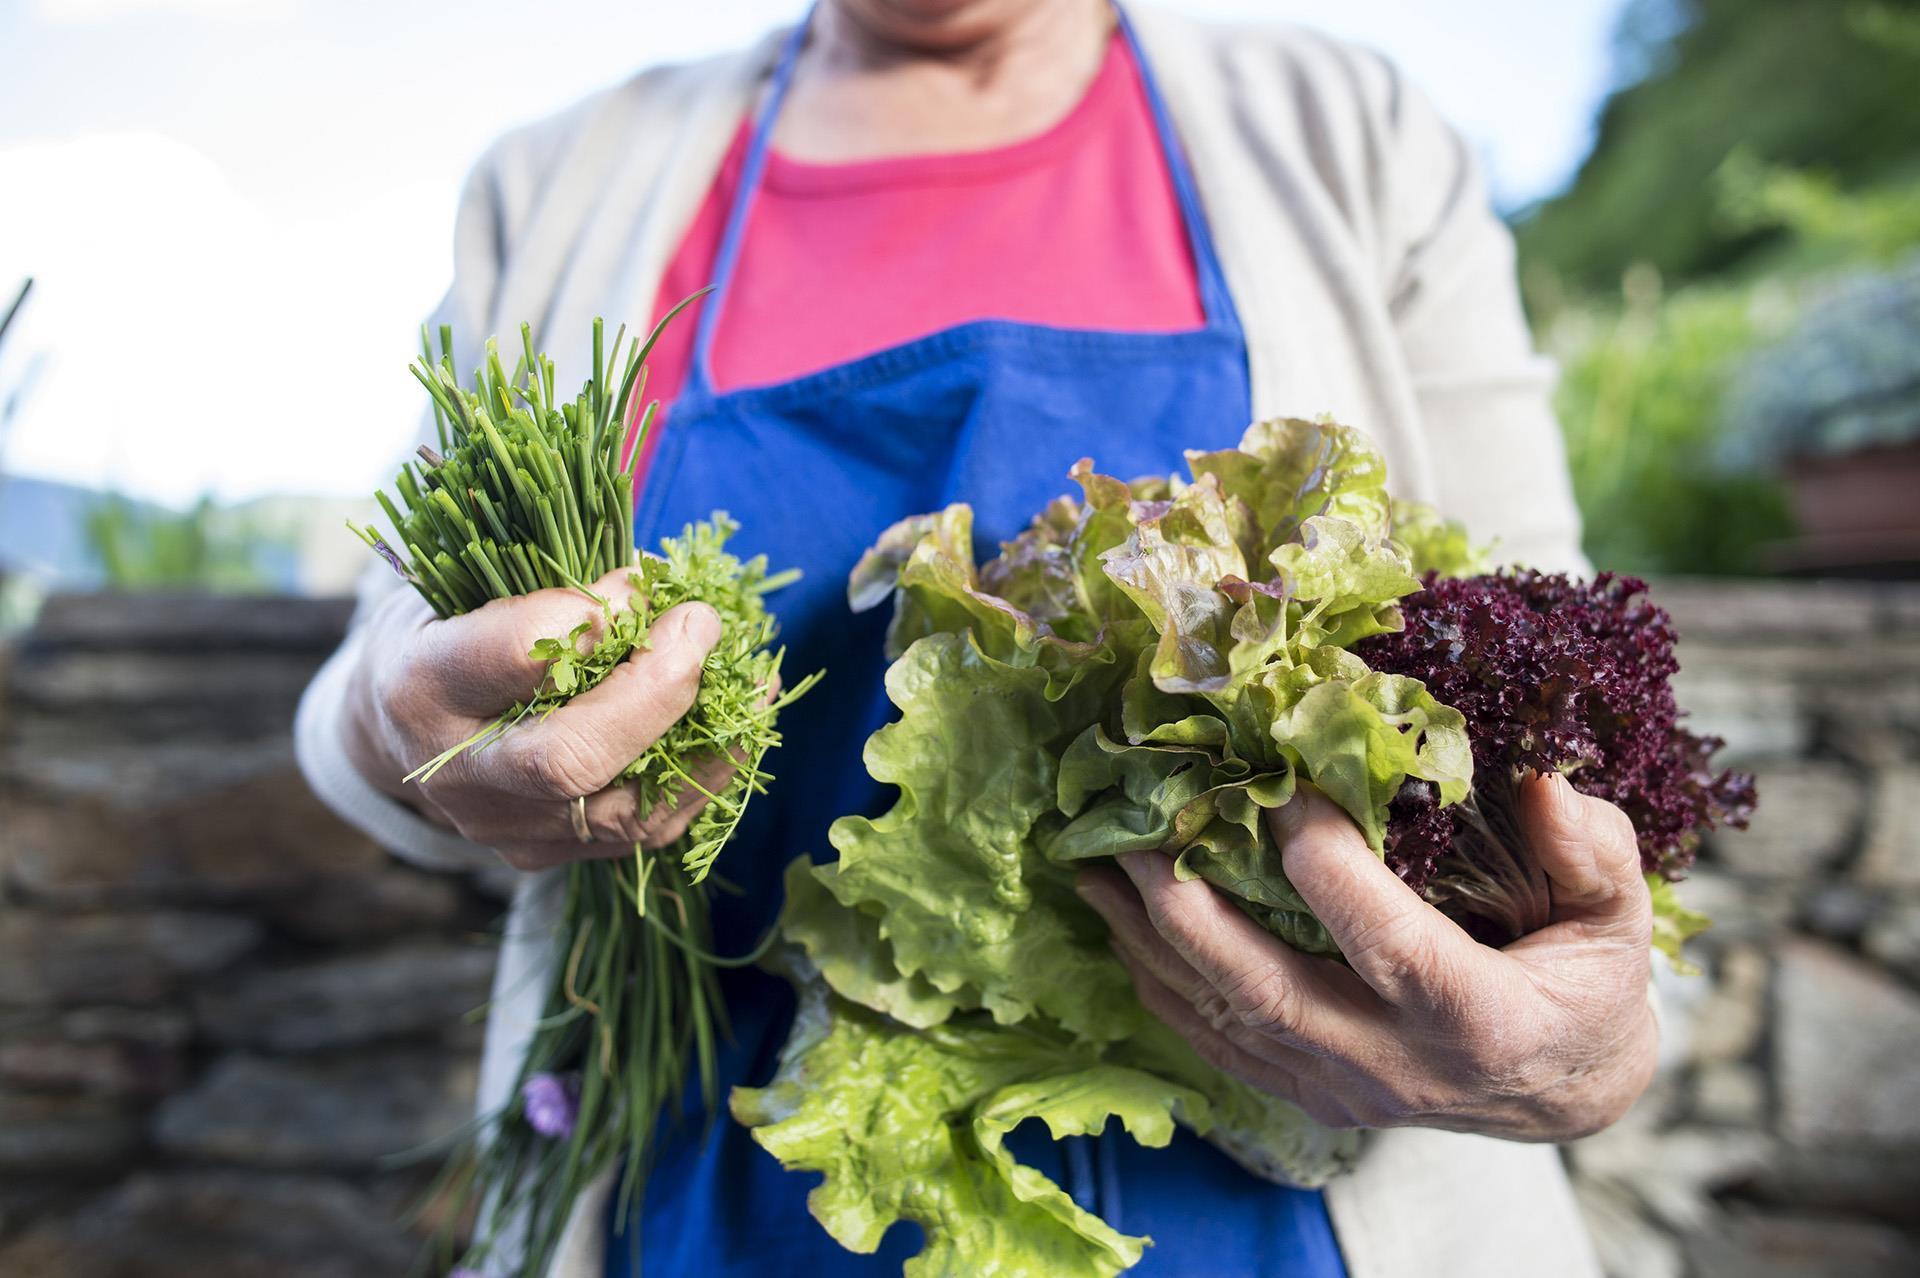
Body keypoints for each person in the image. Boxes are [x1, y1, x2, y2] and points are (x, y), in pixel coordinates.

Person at [296, 2, 1650, 1274]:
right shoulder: (560, 182)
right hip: (708, 1181)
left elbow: (1565, 710)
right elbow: (384, 680)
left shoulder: (1344, 132)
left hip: (1292, 1196)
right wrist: (398, 716)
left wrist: (1588, 1042)